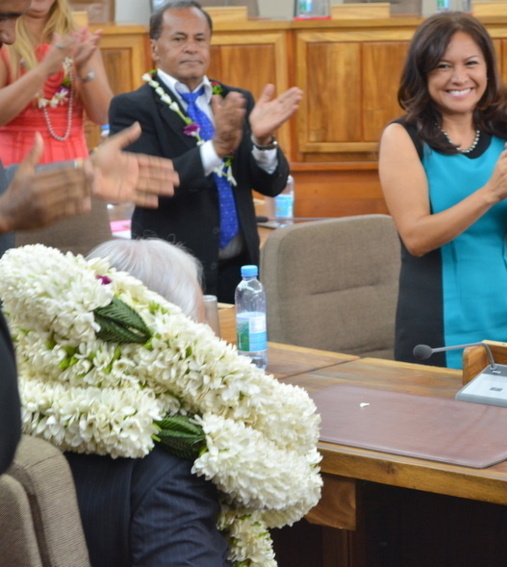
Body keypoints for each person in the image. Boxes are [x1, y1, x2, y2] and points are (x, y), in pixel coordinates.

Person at [0, 0, 177, 474]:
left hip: (81, 173)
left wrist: (83, 69)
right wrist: (50, 63)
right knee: (25, 310)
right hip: (20, 177)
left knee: (94, 296)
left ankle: (91, 408)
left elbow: (105, 112)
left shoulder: (74, 32)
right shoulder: (11, 33)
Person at [378, 12, 507, 369]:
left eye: (471, 63)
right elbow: (416, 237)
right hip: (439, 332)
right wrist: (489, 192)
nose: (459, 78)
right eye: (442, 66)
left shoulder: (504, 133)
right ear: (422, 74)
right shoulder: (402, 137)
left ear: (487, 70)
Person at [109, 0, 302, 303]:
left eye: (200, 39)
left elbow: (271, 185)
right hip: (170, 272)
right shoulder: (132, 107)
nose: (191, 47)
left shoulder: (235, 100)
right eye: (178, 38)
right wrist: (215, 149)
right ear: (154, 48)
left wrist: (263, 142)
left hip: (240, 270)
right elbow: (150, 183)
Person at [63, 238, 229, 567]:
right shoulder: (171, 467)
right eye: (201, 322)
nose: (212, 337)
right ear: (170, 340)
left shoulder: (30, 419)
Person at [0, 0, 113, 165]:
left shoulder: (79, 38)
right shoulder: (5, 38)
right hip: (17, 169)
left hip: (74, 165)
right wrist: (43, 70)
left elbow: (104, 116)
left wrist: (83, 68)